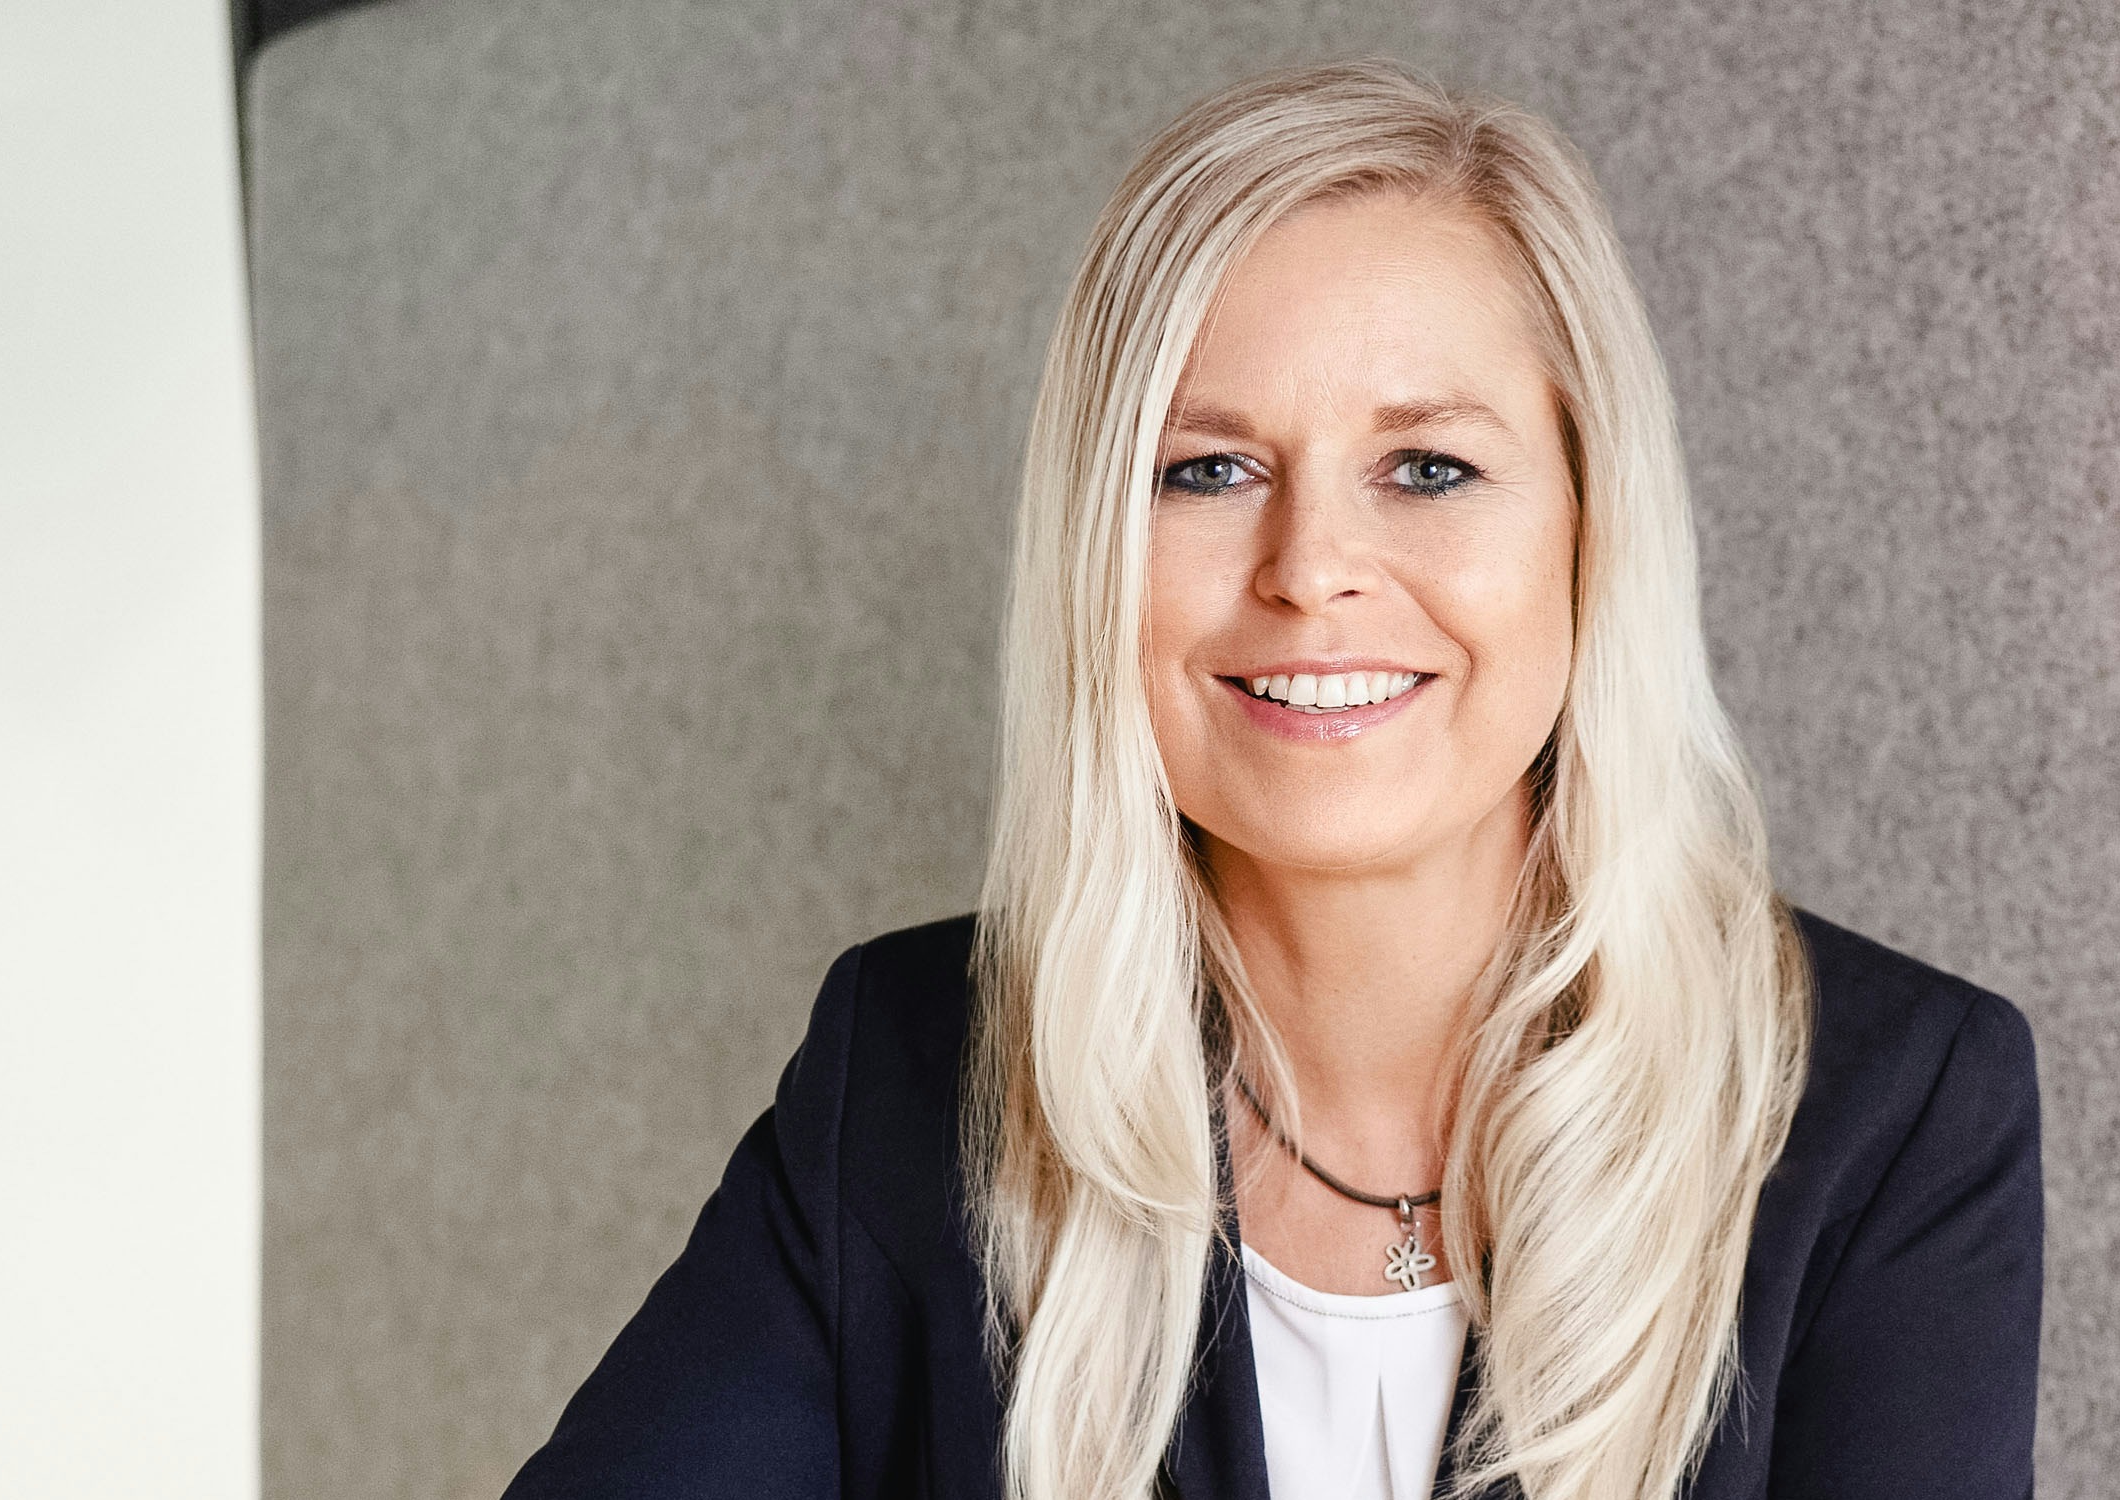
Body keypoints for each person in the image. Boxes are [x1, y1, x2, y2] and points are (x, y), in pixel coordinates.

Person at [501, 59, 2041, 1500]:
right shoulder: (909, 1071)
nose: (1311, 572)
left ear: (1592, 528)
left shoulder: (1890, 1109)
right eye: (1208, 471)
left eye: (1428, 468)